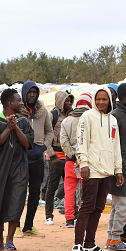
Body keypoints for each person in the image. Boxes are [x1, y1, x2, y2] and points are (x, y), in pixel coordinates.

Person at [0, 89, 33, 251]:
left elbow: (27, 144)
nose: (21, 103)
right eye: (18, 100)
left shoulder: (23, 122)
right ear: (10, 103)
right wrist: (8, 128)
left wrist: (16, 128)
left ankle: (10, 241)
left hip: (19, 170)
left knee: (16, 202)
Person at [73, 86, 123, 251]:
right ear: (94, 100)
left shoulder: (113, 120)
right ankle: (78, 244)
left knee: (99, 207)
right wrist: (83, 163)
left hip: (107, 171)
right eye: (98, 99)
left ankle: (90, 243)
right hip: (91, 169)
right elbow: (81, 141)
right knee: (87, 206)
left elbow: (116, 146)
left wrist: (118, 169)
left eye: (104, 99)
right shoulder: (87, 117)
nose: (101, 102)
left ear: (109, 100)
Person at [16, 80, 53, 238]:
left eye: (34, 92)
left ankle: (28, 226)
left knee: (34, 192)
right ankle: (15, 225)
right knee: (18, 191)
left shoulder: (42, 111)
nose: (32, 95)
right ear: (24, 93)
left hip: (37, 156)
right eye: (29, 92)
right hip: (21, 157)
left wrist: (44, 146)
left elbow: (49, 131)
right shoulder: (17, 111)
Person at [106, 84, 126, 251]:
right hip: (120, 168)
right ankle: (116, 238)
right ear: (121, 98)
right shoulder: (115, 117)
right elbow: (112, 145)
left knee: (118, 206)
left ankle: (112, 239)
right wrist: (117, 169)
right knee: (124, 205)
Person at [59, 93, 92, 228]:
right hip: (87, 163)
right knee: (87, 191)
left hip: (70, 162)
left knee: (69, 190)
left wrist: (72, 155)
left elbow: (63, 141)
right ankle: (84, 217)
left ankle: (69, 219)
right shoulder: (91, 119)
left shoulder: (67, 120)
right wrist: (82, 157)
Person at [44, 90, 74, 226]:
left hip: (68, 155)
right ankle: (48, 215)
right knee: (52, 186)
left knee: (70, 187)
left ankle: (73, 214)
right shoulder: (52, 115)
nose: (69, 103)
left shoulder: (72, 115)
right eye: (66, 100)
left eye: (70, 100)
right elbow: (47, 135)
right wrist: (51, 155)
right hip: (56, 156)